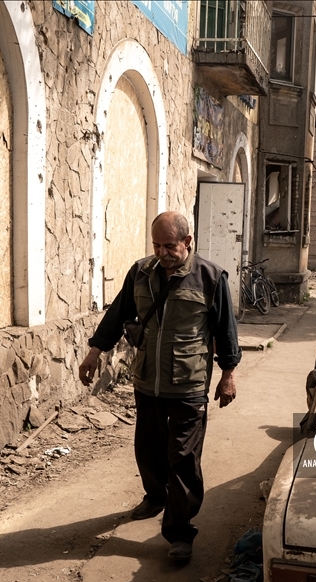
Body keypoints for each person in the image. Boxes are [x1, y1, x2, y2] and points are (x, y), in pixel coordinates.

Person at [78, 211, 241, 561]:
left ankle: (180, 533)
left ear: (187, 242)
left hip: (188, 383)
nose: (162, 252)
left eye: (169, 245)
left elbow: (225, 330)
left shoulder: (211, 278)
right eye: (156, 245)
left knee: (182, 457)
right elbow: (116, 315)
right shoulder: (140, 273)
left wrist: (228, 374)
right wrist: (94, 352)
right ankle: (155, 496)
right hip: (148, 379)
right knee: (148, 447)